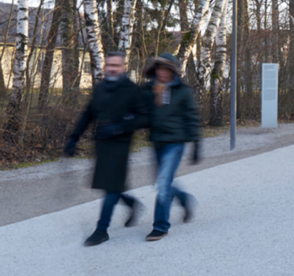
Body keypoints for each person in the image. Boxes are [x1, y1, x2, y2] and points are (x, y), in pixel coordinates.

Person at [64, 52, 149, 247]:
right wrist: (74, 138)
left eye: (116, 65)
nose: (112, 68)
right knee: (107, 184)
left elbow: (145, 117)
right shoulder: (100, 88)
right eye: (109, 65)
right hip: (101, 142)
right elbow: (88, 114)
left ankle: (102, 230)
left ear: (123, 67)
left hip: (121, 144)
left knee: (111, 186)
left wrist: (120, 127)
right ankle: (131, 203)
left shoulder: (133, 90)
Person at [141, 53, 200, 242]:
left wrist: (196, 145)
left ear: (173, 71)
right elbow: (140, 113)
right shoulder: (149, 89)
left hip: (176, 143)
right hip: (157, 142)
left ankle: (160, 226)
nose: (163, 72)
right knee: (163, 182)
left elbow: (192, 118)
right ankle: (184, 199)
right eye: (160, 68)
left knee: (163, 183)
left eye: (167, 69)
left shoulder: (183, 91)